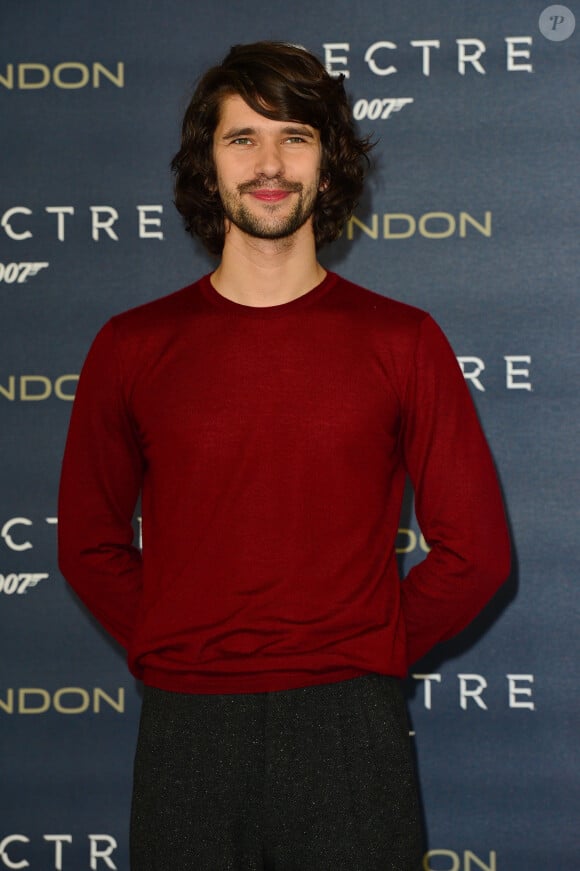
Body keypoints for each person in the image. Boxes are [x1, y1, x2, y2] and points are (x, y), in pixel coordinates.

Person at [58, 41, 510, 871]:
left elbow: (477, 552)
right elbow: (86, 540)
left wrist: (363, 649)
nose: (270, 163)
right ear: (209, 164)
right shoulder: (132, 346)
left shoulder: (402, 340)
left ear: (329, 159)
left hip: (351, 733)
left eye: (294, 135)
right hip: (185, 732)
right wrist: (178, 640)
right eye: (243, 138)